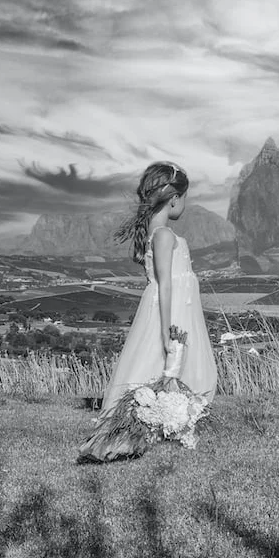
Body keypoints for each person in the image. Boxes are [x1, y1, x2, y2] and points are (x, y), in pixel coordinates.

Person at [76, 161, 217, 462]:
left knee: (163, 367)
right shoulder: (164, 235)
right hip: (173, 311)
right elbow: (165, 286)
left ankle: (166, 419)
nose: (185, 204)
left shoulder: (156, 235)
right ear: (174, 198)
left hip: (174, 309)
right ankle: (152, 422)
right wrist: (167, 332)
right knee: (162, 363)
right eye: (185, 197)